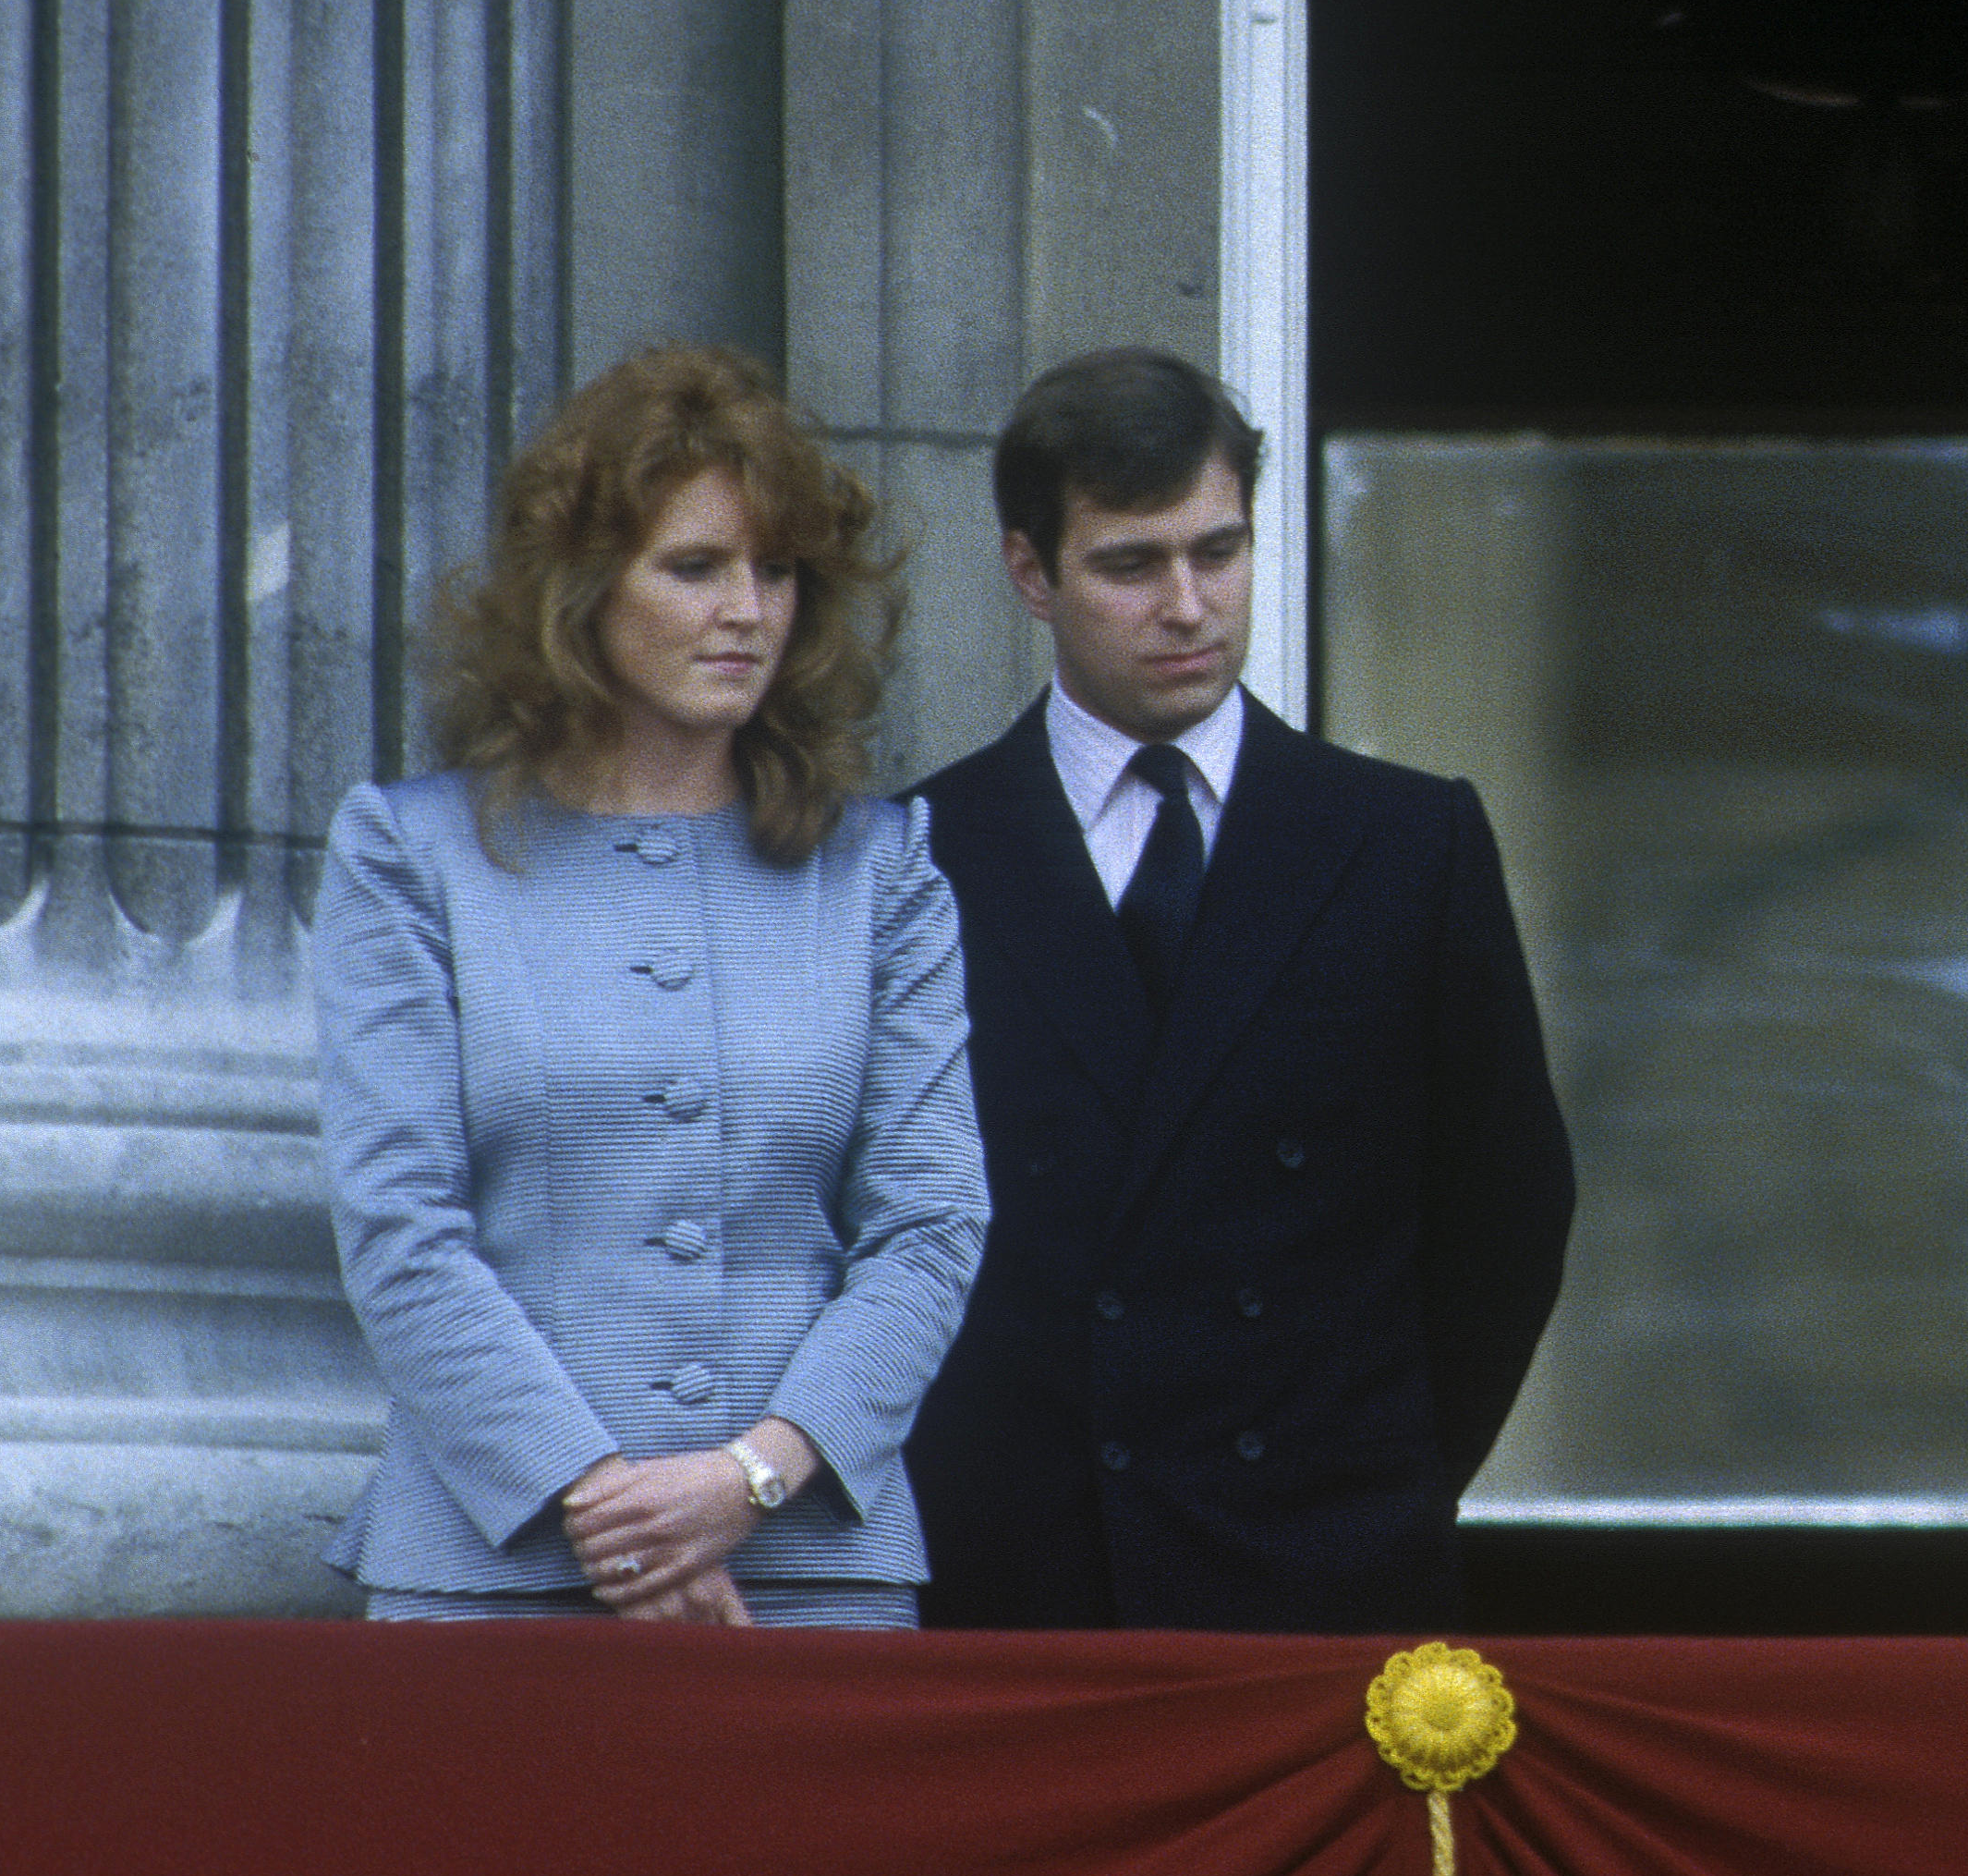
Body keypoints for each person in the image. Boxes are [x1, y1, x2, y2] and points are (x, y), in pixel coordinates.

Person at [314, 345, 987, 1627]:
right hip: (495, 1569)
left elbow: (931, 1223)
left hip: (811, 1576)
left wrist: (754, 1475)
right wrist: (613, 1510)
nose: (750, 609)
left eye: (777, 569)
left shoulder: (882, 868)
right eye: (696, 567)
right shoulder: (412, 853)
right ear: (581, 591)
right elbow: (398, 1224)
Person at [905, 347, 1575, 1630]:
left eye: (1220, 550)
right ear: (1029, 572)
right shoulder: (920, 853)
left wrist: (1378, 1485)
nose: (1189, 603)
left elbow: (1509, 1209)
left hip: (1319, 1578)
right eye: (1130, 563)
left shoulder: (1406, 842)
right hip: (1022, 1589)